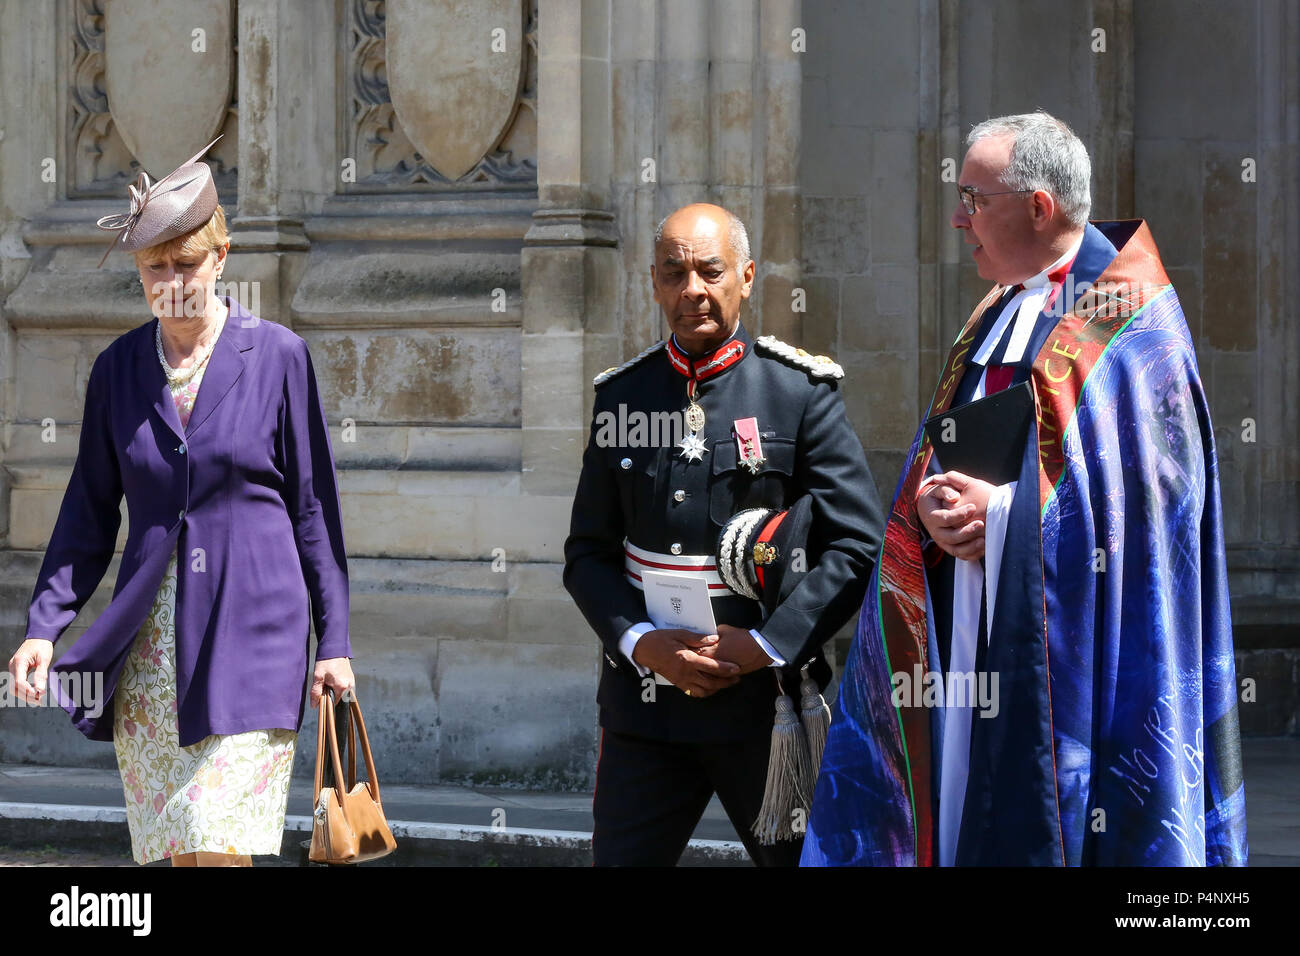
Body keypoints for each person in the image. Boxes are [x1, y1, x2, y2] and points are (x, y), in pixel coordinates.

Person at [802, 112, 1247, 866]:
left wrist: (1003, 516)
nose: (957, 216)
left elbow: (1154, 512)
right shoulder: (995, 312)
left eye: (973, 197)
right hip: (963, 622)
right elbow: (943, 449)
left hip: (1072, 651)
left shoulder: (1132, 326)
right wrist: (931, 506)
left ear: (1039, 207)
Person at [6, 139, 355, 867]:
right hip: (152, 655)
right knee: (183, 853)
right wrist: (44, 627)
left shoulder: (281, 357)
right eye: (153, 268)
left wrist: (337, 642)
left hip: (256, 638)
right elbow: (88, 514)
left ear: (222, 254)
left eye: (186, 264)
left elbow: (314, 509)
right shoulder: (118, 371)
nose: (171, 282)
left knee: (217, 842)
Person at [564, 202, 884, 866]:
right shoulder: (622, 396)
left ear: (746, 275)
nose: (693, 291)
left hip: (765, 711)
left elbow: (857, 546)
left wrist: (768, 644)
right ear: (653, 282)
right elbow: (587, 553)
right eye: (674, 274)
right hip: (645, 705)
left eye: (710, 272)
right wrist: (641, 642)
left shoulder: (799, 393)